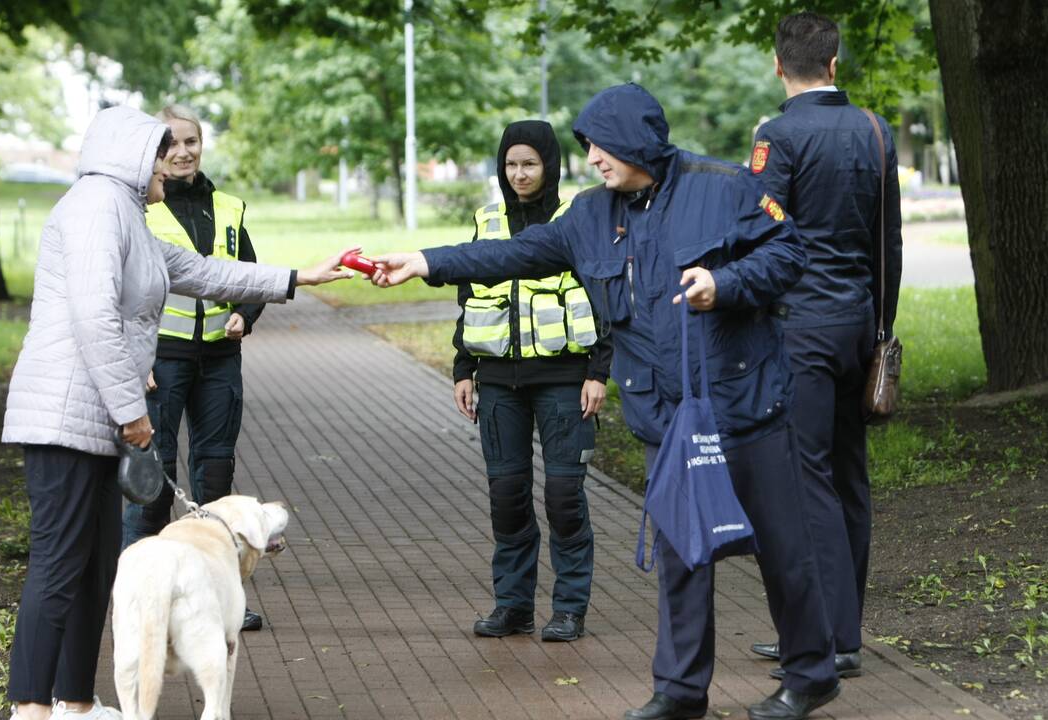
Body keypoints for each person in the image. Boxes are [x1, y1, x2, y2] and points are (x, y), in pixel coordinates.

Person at [371, 84, 840, 720]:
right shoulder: (590, 214)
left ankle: (811, 674)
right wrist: (425, 261)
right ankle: (679, 692)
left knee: (781, 547)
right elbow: (513, 253)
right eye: (587, 146)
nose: (590, 158)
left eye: (600, 144)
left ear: (638, 140)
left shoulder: (723, 185)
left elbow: (789, 253)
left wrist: (724, 283)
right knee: (681, 554)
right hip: (666, 416)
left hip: (743, 402)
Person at [1, 105, 355, 720]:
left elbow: (198, 269)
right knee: (59, 566)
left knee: (93, 568)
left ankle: (77, 705)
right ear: (132, 154)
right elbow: (93, 316)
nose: (174, 160)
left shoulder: (131, 218)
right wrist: (130, 409)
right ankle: (32, 709)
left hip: (93, 421)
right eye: (162, 150)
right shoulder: (94, 208)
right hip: (65, 417)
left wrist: (300, 276)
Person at [746, 12, 902, 679]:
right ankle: (842, 631)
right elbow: (887, 240)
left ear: (778, 67)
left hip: (799, 330)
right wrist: (881, 332)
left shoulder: (775, 138)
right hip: (858, 325)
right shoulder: (875, 130)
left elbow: (758, 227)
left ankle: (825, 640)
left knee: (805, 482)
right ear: (835, 65)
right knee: (850, 477)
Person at [454, 120, 612, 642]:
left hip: (565, 378)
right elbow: (467, 298)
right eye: (511, 164)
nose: (519, 174)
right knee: (508, 496)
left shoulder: (577, 219)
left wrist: (598, 371)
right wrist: (463, 369)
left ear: (550, 165)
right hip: (498, 381)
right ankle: (514, 606)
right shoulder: (488, 219)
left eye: (530, 164)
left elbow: (604, 297)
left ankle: (569, 608)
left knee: (564, 497)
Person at [121, 104, 266, 631]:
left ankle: (221, 598)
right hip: (163, 363)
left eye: (192, 142)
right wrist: (137, 362)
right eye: (171, 144)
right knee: (153, 483)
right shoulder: (138, 207)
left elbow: (252, 277)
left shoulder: (228, 206)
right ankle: (138, 597)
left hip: (219, 362)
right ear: (155, 152)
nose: (183, 152)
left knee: (216, 479)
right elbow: (120, 292)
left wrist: (244, 317)